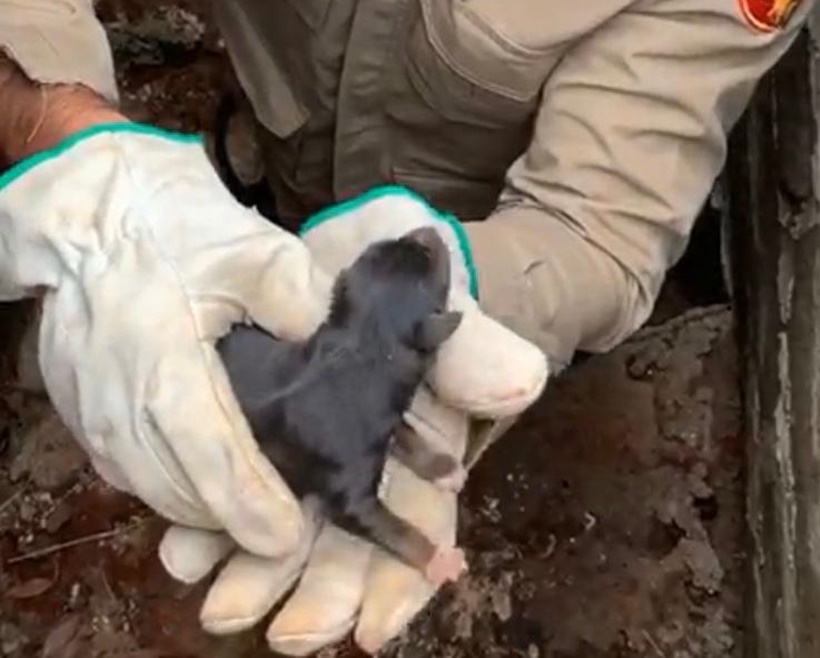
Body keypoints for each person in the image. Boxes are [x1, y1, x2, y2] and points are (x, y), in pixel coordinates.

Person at [0, 0, 813, 654]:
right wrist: (74, 145)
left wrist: (466, 279)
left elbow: (596, 229)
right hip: (276, 156)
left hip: (471, 239)